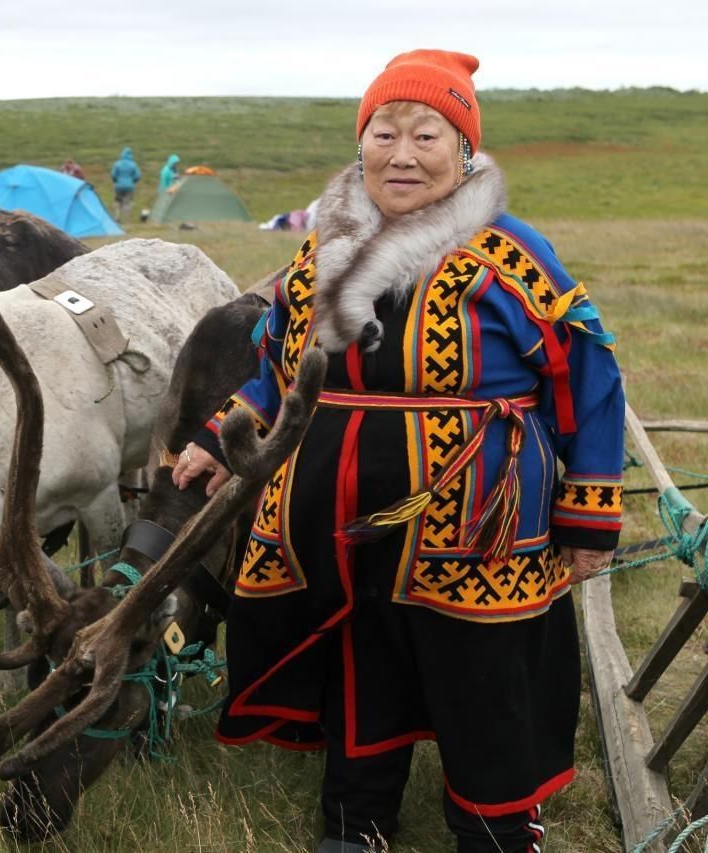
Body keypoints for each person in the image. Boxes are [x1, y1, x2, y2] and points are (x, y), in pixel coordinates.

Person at [172, 50, 624, 853]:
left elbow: (585, 370)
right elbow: (282, 363)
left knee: (482, 674)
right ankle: (357, 821)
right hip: (340, 520)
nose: (403, 153)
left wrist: (588, 512)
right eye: (385, 132)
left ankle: (495, 828)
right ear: (361, 144)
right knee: (359, 656)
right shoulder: (324, 251)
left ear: (465, 153)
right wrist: (221, 433)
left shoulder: (511, 254)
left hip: (480, 522)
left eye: (427, 135)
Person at [109, 147, 141, 222]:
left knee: (117, 201)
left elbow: (113, 175)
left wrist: (116, 180)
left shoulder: (117, 163)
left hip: (119, 186)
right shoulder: (133, 164)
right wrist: (133, 181)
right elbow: (138, 176)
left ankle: (117, 217)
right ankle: (127, 220)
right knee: (127, 202)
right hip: (130, 186)